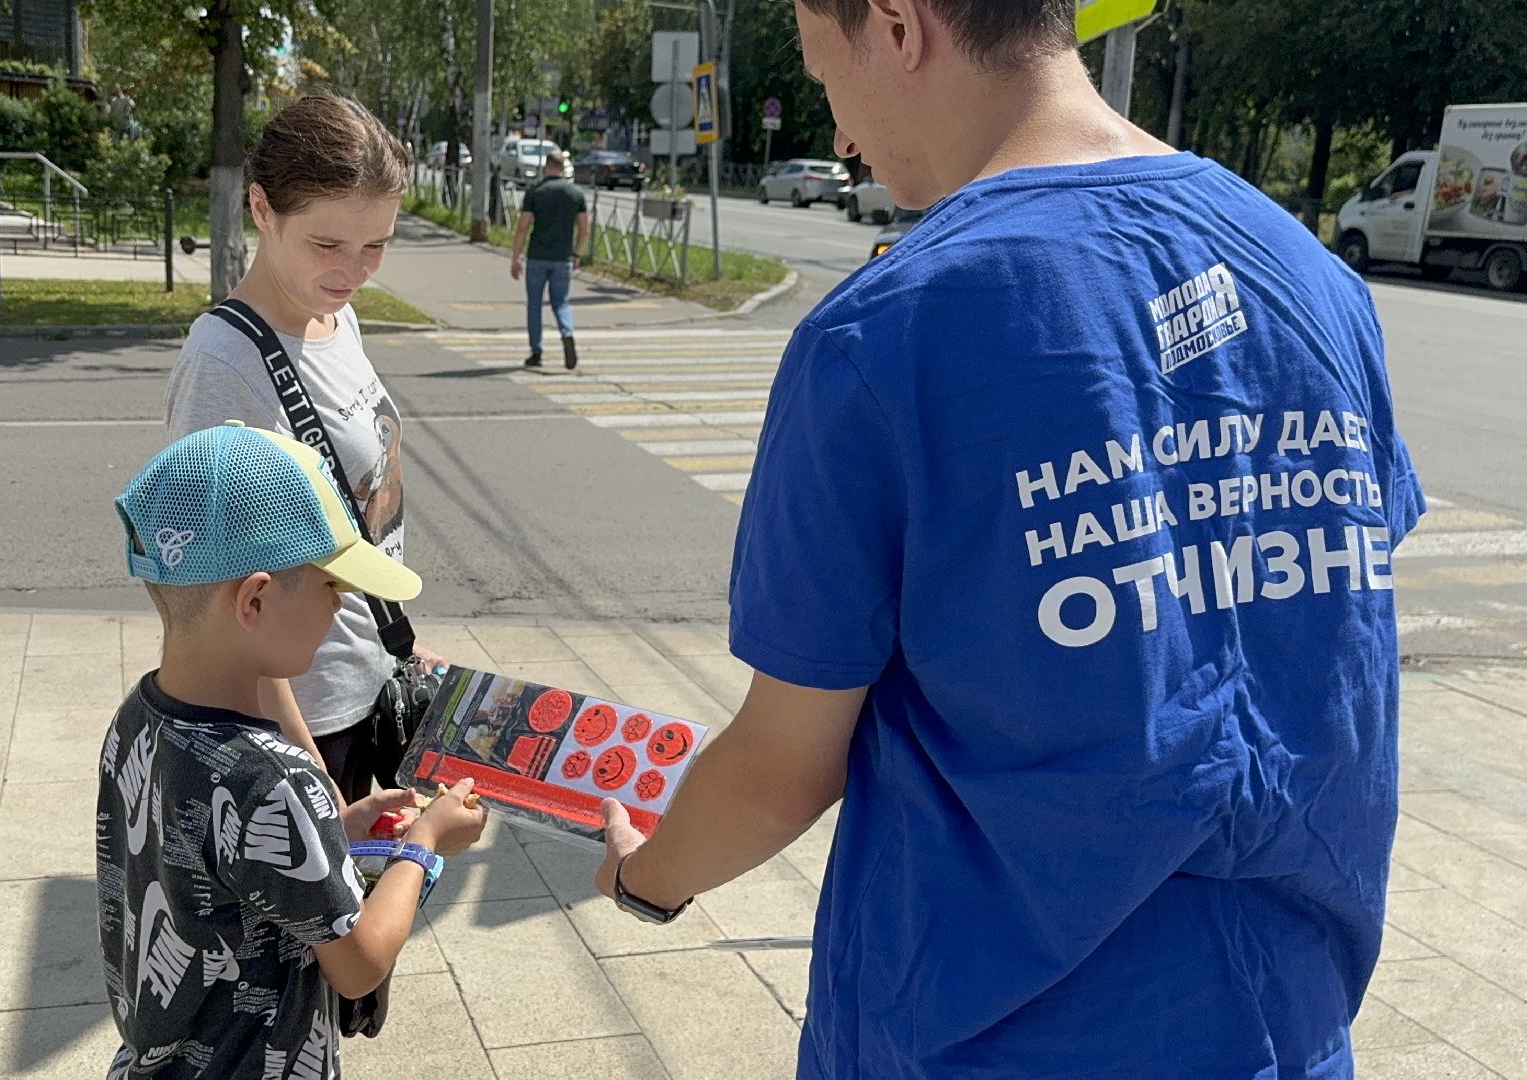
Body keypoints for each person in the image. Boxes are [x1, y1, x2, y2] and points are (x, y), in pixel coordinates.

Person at [594, 0, 1422, 1077]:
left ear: (898, 26)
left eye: (824, 75)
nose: (838, 131)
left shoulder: (881, 334)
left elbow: (781, 766)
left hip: (986, 1035)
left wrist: (649, 876)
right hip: (1285, 1023)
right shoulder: (1312, 277)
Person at [98, 422, 487, 1079]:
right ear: (254, 600)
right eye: (331, 584)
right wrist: (424, 846)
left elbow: (218, 865)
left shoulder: (135, 718)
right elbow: (360, 963)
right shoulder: (275, 779)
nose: (341, 606)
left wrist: (333, 829)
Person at [163, 94, 442, 804]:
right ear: (262, 208)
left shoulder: (334, 317)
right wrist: (313, 782)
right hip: (303, 724)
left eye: (375, 245)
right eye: (327, 244)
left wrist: (396, 646)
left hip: (366, 683)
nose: (354, 270)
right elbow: (218, 598)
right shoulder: (223, 366)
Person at [509, 151, 590, 370]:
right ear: (563, 168)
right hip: (563, 258)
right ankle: (567, 333)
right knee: (561, 303)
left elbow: (523, 227)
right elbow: (584, 227)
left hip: (537, 257)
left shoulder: (535, 192)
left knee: (534, 305)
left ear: (546, 167)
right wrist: (577, 253)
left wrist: (516, 257)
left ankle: (536, 352)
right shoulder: (575, 193)